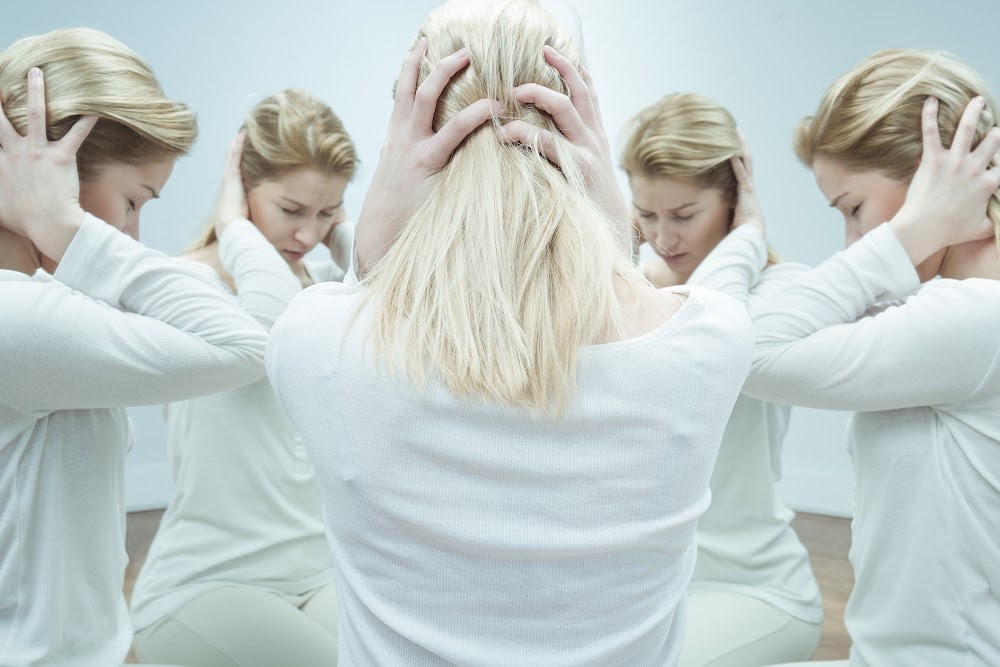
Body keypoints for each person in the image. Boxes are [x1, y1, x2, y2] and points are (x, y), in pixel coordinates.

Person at [266, 1, 754, 664]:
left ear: (406, 138)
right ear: (580, 125)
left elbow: (354, 318)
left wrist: (372, 240)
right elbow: (636, 321)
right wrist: (615, 231)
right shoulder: (711, 342)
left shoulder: (315, 346)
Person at [683, 50, 1000, 667]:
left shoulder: (976, 320)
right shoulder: (945, 310)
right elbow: (750, 327)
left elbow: (752, 352)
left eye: (854, 210)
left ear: (932, 180)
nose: (855, 242)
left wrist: (909, 231)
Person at [0, 28, 274, 666]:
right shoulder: (19, 319)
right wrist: (66, 225)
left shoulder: (34, 305)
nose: (133, 232)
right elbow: (243, 343)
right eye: (132, 200)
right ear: (53, 175)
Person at [129, 89, 358, 667]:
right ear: (241, 185)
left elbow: (397, 302)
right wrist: (231, 226)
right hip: (209, 583)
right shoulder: (182, 285)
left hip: (314, 571)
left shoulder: (321, 278)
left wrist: (343, 235)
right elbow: (264, 334)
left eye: (327, 213)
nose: (308, 234)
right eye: (291, 210)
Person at [620, 93, 823, 667]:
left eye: (684, 215)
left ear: (734, 200)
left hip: (753, 589)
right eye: (647, 214)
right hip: (651, 590)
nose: (663, 237)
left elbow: (715, 340)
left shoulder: (784, 295)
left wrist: (749, 236)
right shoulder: (632, 289)